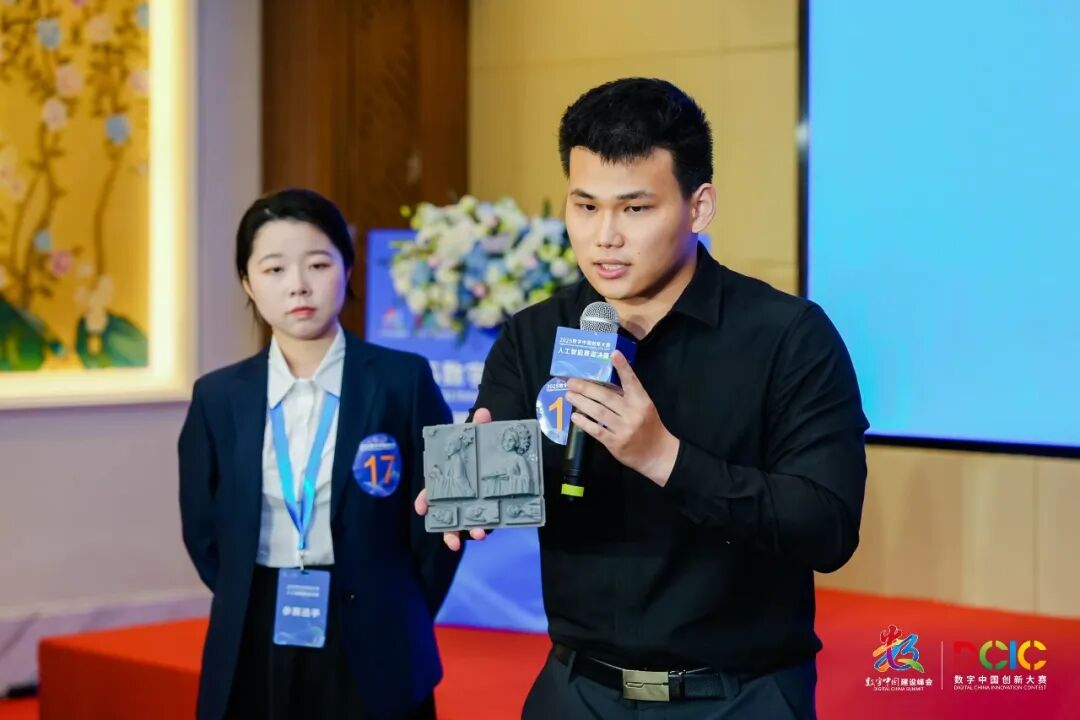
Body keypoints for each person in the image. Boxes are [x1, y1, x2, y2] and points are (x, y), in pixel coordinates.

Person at [416, 78, 868, 719]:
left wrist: (664, 458)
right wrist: (471, 489)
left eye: (634, 209)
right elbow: (506, 475)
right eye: (585, 206)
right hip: (577, 687)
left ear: (698, 207)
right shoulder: (534, 334)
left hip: (740, 693)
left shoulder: (788, 337)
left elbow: (827, 529)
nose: (604, 237)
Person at [180, 188, 460, 719]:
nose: (298, 285)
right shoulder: (218, 397)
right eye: (274, 269)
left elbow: (441, 519)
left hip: (377, 625)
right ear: (247, 282)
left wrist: (399, 607)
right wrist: (251, 590)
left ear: (347, 268)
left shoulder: (402, 381)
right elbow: (204, 530)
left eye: (317, 263)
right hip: (255, 626)